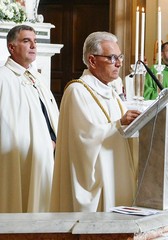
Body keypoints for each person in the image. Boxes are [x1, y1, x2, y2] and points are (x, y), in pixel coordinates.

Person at [50, 31, 141, 212]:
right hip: (98, 178)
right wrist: (118, 124)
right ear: (92, 60)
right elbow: (82, 140)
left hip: (116, 171)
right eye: (112, 58)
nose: (119, 63)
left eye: (119, 57)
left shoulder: (112, 93)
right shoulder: (77, 91)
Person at [0, 25, 59, 213]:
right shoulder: (3, 78)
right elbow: (7, 123)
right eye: (26, 41)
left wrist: (56, 140)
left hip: (47, 153)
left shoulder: (37, 77)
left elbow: (47, 112)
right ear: (11, 47)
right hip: (21, 158)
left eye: (35, 41)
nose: (34, 45)